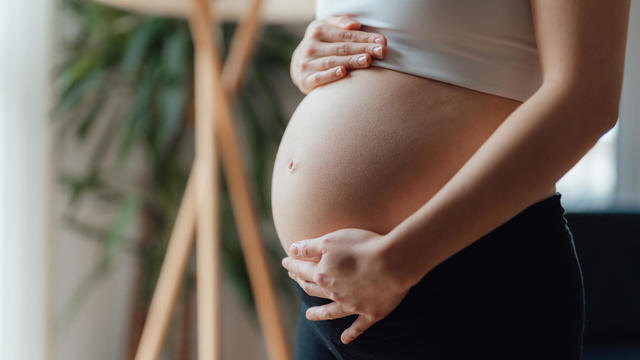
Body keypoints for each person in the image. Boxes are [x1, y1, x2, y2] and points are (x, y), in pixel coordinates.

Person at [272, 1, 631, 359]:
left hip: (463, 284)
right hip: (332, 295)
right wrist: (307, 58)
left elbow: (587, 99)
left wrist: (400, 260)